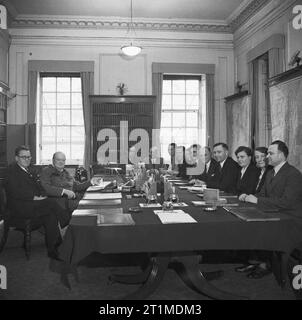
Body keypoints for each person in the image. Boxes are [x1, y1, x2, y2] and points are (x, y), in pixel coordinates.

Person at [4, 146, 66, 259]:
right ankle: (66, 220)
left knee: (51, 215)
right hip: (18, 208)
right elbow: (14, 191)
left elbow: (40, 187)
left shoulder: (30, 170)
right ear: (16, 158)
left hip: (31, 205)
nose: (27, 159)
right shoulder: (11, 171)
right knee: (51, 203)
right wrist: (34, 197)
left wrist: (41, 195)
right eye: (23, 157)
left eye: (29, 157)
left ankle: (53, 250)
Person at [242, 140, 302, 216]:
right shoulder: (270, 173)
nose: (267, 156)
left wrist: (257, 200)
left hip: (289, 218)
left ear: (281, 155)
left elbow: (287, 202)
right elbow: (262, 194)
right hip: (272, 213)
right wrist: (248, 197)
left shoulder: (293, 174)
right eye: (267, 153)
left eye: (271, 153)